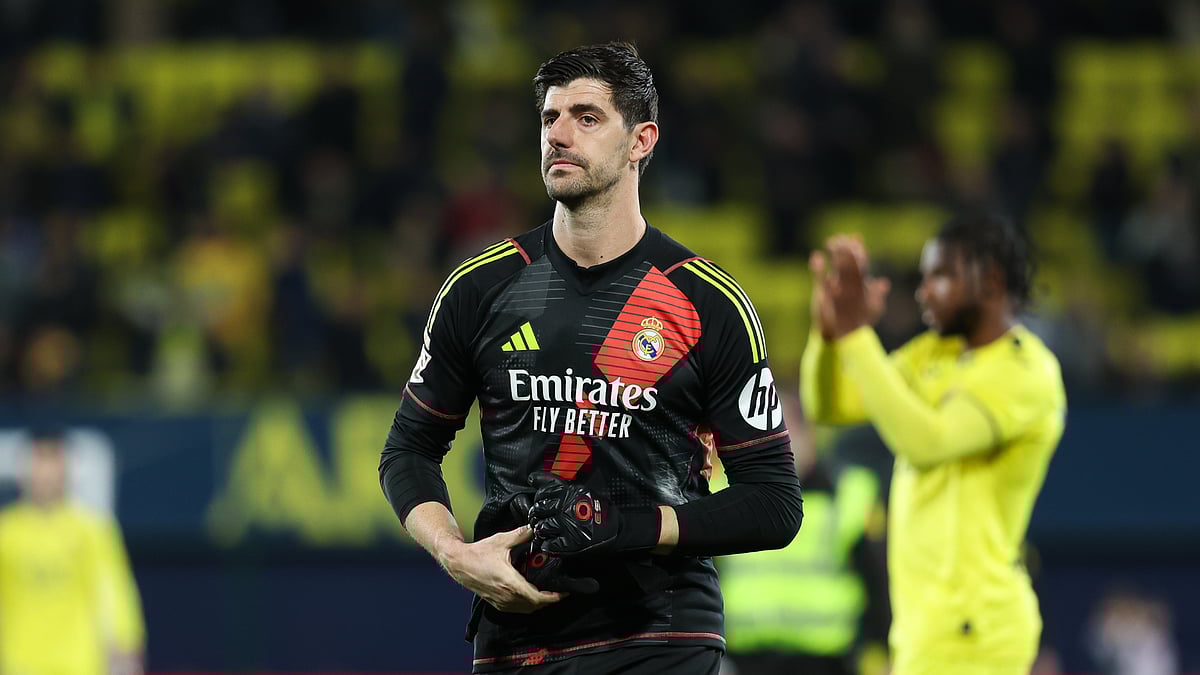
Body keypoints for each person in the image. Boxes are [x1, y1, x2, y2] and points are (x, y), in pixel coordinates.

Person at [379, 42, 803, 674]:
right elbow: (407, 451)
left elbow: (773, 502)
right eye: (550, 118)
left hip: (661, 634)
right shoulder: (479, 289)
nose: (559, 135)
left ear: (641, 140)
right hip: (516, 633)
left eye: (586, 117)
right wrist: (454, 553)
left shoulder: (706, 304)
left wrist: (629, 526)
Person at [800, 213, 1066, 675]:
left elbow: (927, 442)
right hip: (924, 629)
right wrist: (827, 336)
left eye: (941, 276)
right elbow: (830, 406)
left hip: (976, 630)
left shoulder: (1025, 373)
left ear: (991, 280)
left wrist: (857, 336)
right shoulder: (932, 355)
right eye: (923, 278)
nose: (923, 292)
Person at [717, 390, 890, 675]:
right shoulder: (721, 493)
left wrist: (881, 650)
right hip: (744, 662)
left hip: (827, 663)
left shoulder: (850, 493)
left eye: (782, 430)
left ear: (807, 434)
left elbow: (876, 582)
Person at [0, 430, 146, 675]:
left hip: (79, 664)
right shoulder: (6, 532)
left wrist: (126, 641)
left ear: (65, 472)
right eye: (39, 464)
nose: (46, 475)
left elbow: (113, 589)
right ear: (25, 473)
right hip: (20, 663)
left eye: (53, 464)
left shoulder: (93, 530)